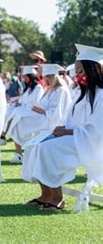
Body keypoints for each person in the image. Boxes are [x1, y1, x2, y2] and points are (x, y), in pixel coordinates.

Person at [22, 44, 102, 211]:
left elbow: (97, 130)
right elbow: (72, 120)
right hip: (76, 137)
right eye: (77, 72)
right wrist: (62, 128)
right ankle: (46, 194)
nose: (78, 76)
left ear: (93, 70)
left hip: (90, 143)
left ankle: (58, 198)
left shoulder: (101, 95)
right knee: (34, 145)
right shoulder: (83, 94)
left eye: (81, 71)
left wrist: (67, 131)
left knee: (47, 149)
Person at [7, 64, 73, 147]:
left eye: (47, 80)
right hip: (43, 115)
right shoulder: (49, 89)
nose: (46, 82)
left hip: (51, 120)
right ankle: (20, 143)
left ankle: (19, 144)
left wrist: (43, 111)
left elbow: (58, 113)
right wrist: (36, 108)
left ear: (53, 78)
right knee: (18, 116)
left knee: (21, 120)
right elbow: (42, 104)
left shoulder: (61, 90)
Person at [3, 65, 45, 163]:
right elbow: (22, 100)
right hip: (25, 111)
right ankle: (17, 151)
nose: (24, 79)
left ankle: (4, 134)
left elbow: (37, 103)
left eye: (26, 77)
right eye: (24, 77)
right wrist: (18, 103)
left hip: (34, 113)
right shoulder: (27, 89)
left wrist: (23, 105)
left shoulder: (38, 88)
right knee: (9, 110)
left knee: (17, 117)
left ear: (31, 77)